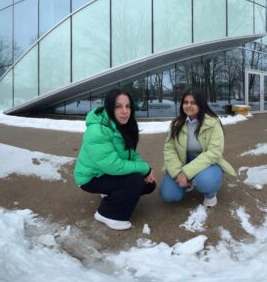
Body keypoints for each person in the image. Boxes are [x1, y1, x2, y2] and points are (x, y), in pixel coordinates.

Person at [74, 88, 156, 230]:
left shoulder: (121, 124)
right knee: (135, 180)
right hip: (91, 177)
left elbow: (131, 153)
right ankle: (108, 214)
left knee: (148, 184)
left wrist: (146, 170)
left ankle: (111, 193)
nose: (125, 111)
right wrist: (144, 169)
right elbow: (113, 165)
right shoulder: (97, 130)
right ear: (109, 106)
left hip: (104, 172)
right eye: (118, 106)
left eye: (128, 106)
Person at [160, 89, 236, 207]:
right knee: (169, 195)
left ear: (201, 104)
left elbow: (214, 152)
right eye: (186, 102)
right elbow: (169, 149)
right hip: (183, 161)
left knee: (206, 182)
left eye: (193, 103)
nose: (188, 105)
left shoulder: (213, 123)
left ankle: (210, 193)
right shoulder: (177, 124)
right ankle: (187, 183)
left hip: (207, 163)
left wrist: (186, 173)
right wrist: (177, 173)